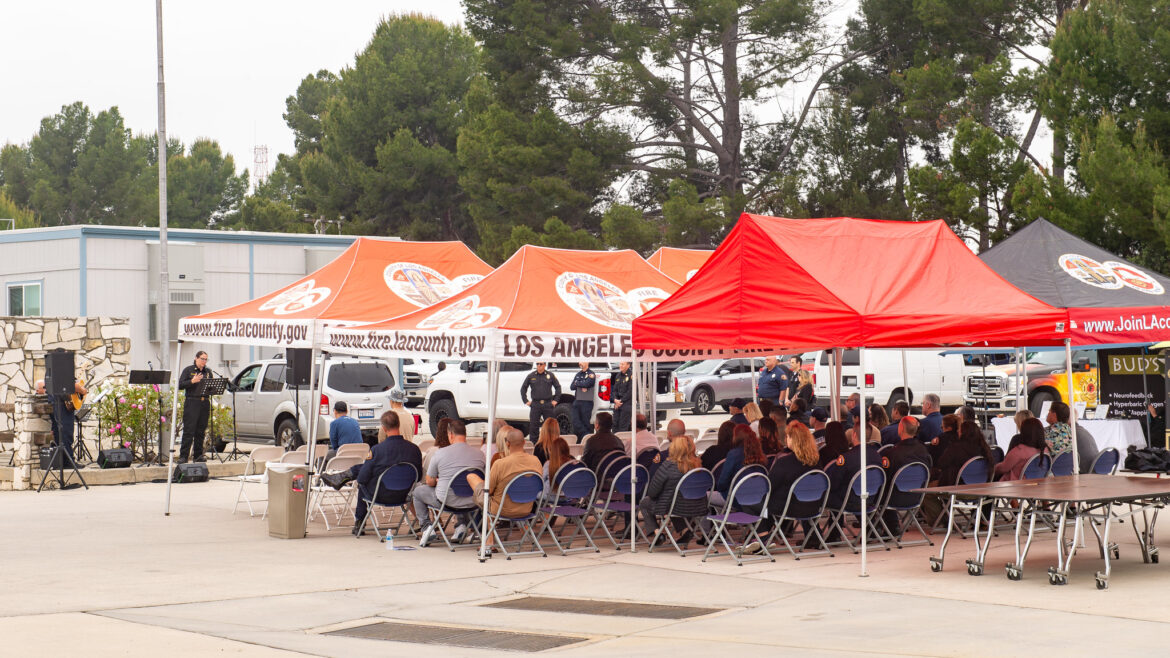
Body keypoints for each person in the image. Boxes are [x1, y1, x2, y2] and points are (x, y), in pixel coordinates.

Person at [342, 410, 422, 537]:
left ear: (384, 429)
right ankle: (342, 477)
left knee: (363, 480)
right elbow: (419, 476)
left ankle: (359, 521)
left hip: (381, 494)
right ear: (399, 425)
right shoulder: (414, 449)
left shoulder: (377, 450)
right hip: (405, 494)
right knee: (364, 471)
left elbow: (362, 479)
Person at [415, 419, 486, 547]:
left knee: (418, 491)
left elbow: (429, 481)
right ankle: (461, 526)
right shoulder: (480, 454)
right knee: (462, 488)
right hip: (473, 501)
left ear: (451, 435)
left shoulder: (440, 453)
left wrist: (440, 480)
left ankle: (427, 528)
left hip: (447, 501)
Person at [756, 421, 821, 540]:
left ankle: (763, 537)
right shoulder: (816, 462)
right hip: (814, 506)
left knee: (758, 500)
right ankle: (814, 538)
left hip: (789, 508)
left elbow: (769, 486)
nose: (786, 439)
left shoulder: (784, 462)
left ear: (793, 439)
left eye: (788, 436)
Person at [640, 434, 707, 547]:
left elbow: (652, 492)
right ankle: (685, 531)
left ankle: (657, 533)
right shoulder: (698, 466)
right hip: (697, 506)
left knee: (645, 503)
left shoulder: (668, 465)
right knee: (673, 501)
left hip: (675, 506)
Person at [466, 428, 542, 519]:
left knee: (471, 477)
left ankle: (490, 532)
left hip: (501, 510)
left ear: (507, 443)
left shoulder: (500, 463)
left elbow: (489, 491)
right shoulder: (536, 461)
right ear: (524, 443)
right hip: (526, 510)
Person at [826, 420, 882, 510]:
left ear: (854, 435)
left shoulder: (847, 458)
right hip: (871, 500)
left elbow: (833, 484)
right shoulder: (877, 456)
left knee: (818, 497)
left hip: (849, 503)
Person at [43, 375, 87, 469]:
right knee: (66, 432)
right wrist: (82, 391)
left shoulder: (52, 367)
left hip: (56, 402)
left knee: (59, 432)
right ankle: (68, 461)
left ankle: (61, 461)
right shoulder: (62, 364)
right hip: (62, 405)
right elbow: (69, 385)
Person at [934, 420, 995, 487]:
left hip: (957, 489)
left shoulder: (955, 448)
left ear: (964, 432)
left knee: (926, 492)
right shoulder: (985, 448)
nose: (957, 431)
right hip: (981, 488)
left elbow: (941, 463)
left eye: (959, 429)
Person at [178, 350, 213, 463]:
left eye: (206, 359)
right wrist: (192, 381)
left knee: (200, 431)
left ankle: (198, 455)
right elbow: (180, 385)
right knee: (189, 430)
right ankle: (183, 456)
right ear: (196, 358)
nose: (204, 361)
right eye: (202, 359)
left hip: (204, 403)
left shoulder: (208, 372)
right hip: (192, 402)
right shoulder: (188, 370)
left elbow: (212, 386)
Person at [521, 362, 561, 444]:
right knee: (533, 427)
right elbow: (523, 388)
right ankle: (534, 446)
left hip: (547, 404)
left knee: (550, 426)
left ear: (544, 365)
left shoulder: (550, 375)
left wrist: (556, 400)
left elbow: (558, 387)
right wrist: (526, 401)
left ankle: (551, 444)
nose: (539, 366)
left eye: (541, 364)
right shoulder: (531, 376)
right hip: (535, 404)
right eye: (537, 364)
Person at [570, 361, 596, 442]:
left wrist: (577, 383)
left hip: (586, 402)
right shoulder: (578, 374)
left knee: (585, 423)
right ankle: (586, 436)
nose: (579, 363)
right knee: (575, 422)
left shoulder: (591, 374)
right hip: (577, 401)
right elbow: (572, 387)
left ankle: (586, 441)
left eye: (581, 361)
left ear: (587, 362)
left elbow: (587, 384)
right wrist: (581, 383)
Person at [611, 362, 633, 434]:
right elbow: (614, 390)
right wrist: (615, 400)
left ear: (628, 365)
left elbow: (630, 392)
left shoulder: (631, 376)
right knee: (614, 425)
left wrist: (620, 401)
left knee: (623, 427)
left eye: (623, 364)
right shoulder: (618, 375)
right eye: (620, 364)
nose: (620, 366)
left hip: (626, 404)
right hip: (617, 404)